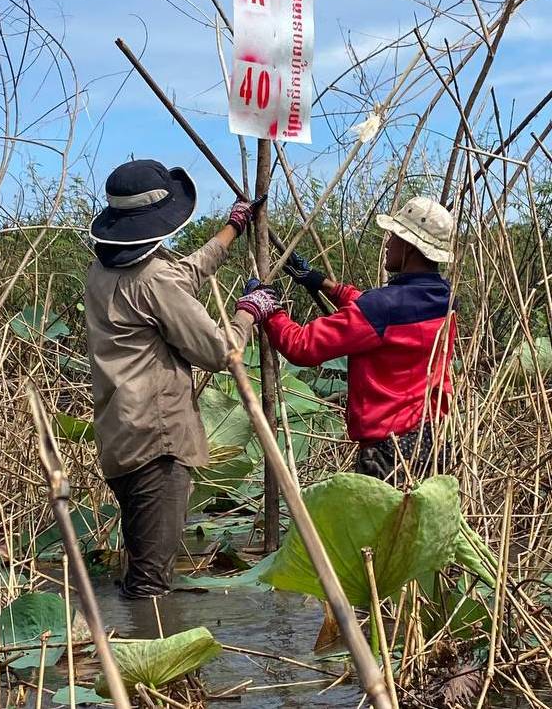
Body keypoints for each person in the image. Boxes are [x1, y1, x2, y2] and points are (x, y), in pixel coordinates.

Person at [85, 159, 274, 599]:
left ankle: (130, 655)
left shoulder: (103, 272)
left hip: (120, 439)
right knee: (151, 587)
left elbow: (178, 276)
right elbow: (218, 352)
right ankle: (151, 658)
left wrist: (231, 231)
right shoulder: (152, 281)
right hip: (158, 442)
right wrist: (250, 310)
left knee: (140, 569)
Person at [255, 196, 457, 484]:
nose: (387, 244)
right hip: (433, 441)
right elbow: (381, 310)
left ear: (410, 247)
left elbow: (301, 346)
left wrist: (268, 309)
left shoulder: (382, 309)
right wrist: (321, 282)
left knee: (382, 529)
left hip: (390, 452)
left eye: (394, 237)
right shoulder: (444, 300)